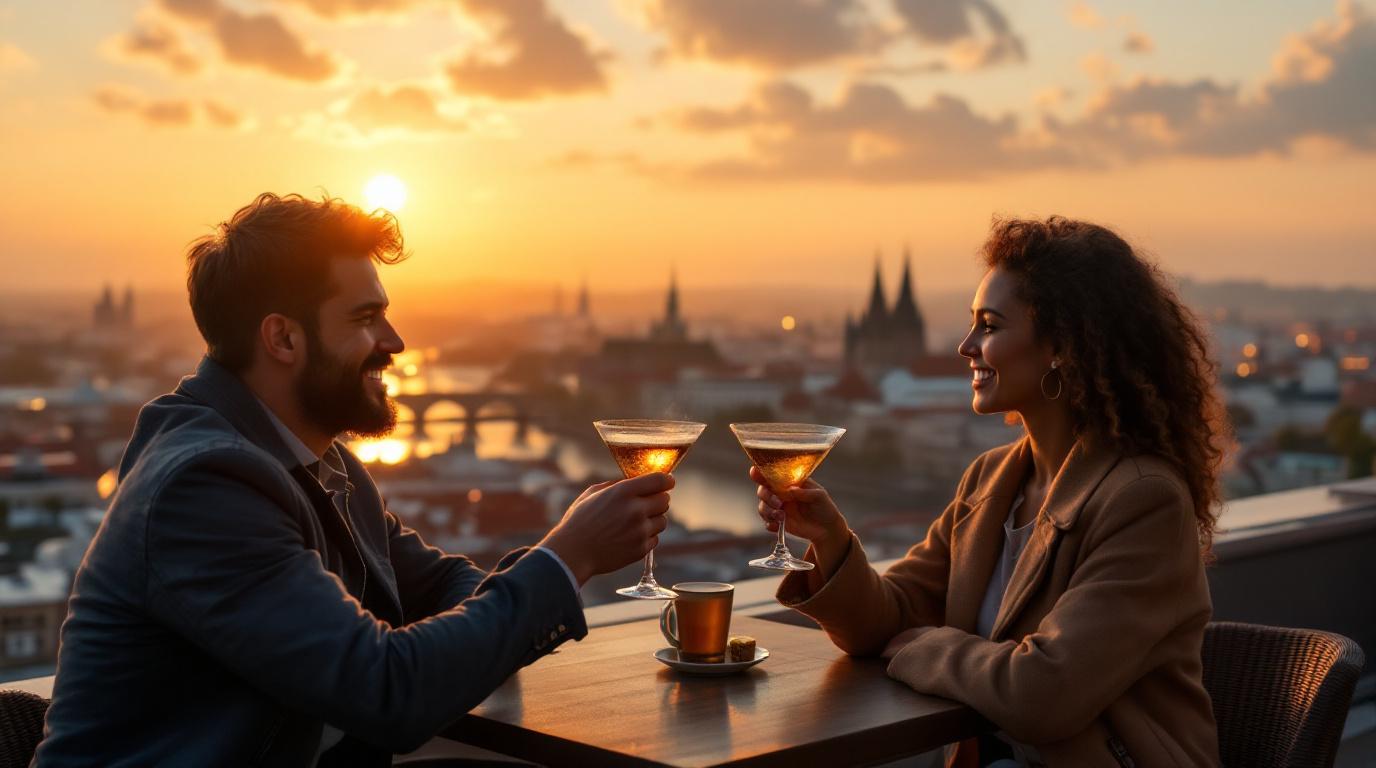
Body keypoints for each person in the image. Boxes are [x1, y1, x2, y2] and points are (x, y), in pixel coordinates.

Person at [37, 193, 674, 766]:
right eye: (366, 317)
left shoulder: (318, 462)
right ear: (283, 337)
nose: (395, 340)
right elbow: (386, 692)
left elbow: (435, 584)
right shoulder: (202, 487)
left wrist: (532, 583)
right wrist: (569, 559)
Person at [754, 217, 1227, 767]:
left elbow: (1044, 695)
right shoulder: (990, 480)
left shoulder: (1144, 500)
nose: (965, 346)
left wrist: (925, 645)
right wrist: (831, 539)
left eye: (990, 326)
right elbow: (890, 618)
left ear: (1063, 347)